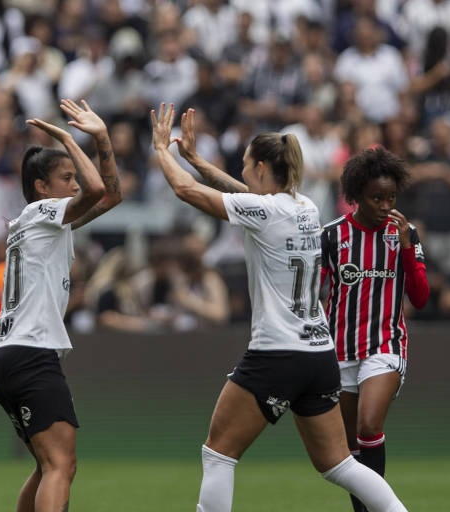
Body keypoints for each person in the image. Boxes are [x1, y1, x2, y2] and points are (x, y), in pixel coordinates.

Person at [150, 103, 409, 512]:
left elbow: (187, 192)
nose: (243, 171)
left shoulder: (265, 212)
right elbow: (240, 194)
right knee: (339, 463)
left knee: (219, 453)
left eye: (246, 164)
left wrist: (162, 150)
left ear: (262, 168)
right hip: (319, 355)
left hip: (276, 353)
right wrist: (197, 160)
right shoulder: (305, 208)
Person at [0, 99, 122, 512]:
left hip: (8, 353)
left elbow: (111, 196)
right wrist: (71, 137)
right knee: (61, 465)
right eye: (66, 177)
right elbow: (98, 188)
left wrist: (102, 140)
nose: (75, 184)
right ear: (42, 187)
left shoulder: (41, 222)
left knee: (50, 466)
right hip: (30, 352)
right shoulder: (43, 212)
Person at [320, 147, 429, 512]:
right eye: (376, 198)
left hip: (386, 345)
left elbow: (421, 297)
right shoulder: (332, 237)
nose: (385, 205)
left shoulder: (404, 233)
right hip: (340, 351)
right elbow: (314, 296)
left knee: (369, 425)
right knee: (349, 449)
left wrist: (408, 249)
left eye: (391, 198)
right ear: (355, 196)